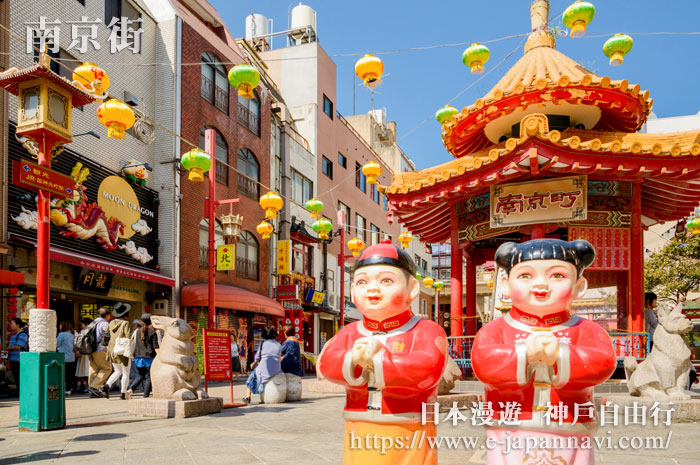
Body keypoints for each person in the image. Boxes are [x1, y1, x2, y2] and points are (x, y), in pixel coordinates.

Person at [471, 239, 617, 465]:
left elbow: (603, 362)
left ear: (579, 287)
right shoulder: (495, 329)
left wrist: (561, 355)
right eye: (525, 276)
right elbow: (484, 363)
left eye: (557, 276)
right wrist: (524, 354)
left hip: (572, 423)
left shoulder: (588, 329)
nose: (541, 286)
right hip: (508, 424)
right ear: (506, 285)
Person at [317, 239, 447, 465]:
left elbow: (428, 367)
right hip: (359, 422)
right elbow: (327, 362)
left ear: (412, 288)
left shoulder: (426, 329)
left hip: (410, 423)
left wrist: (380, 359)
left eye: (387, 280)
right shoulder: (349, 331)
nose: (373, 289)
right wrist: (353, 358)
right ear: (352, 290)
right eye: (362, 282)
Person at [243, 327, 282, 404]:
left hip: (265, 368)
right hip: (277, 368)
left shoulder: (262, 343)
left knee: (251, 377)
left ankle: (248, 396)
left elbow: (257, 357)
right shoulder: (278, 344)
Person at [101, 303, 132, 400]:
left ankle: (106, 386)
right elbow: (128, 337)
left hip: (112, 350)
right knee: (126, 372)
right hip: (122, 350)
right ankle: (123, 393)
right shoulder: (125, 323)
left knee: (118, 370)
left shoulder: (111, 323)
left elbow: (105, 335)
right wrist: (131, 351)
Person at [127, 314, 159, 399]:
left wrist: (133, 354)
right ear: (151, 322)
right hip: (149, 358)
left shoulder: (136, 331)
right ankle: (146, 396)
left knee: (141, 375)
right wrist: (160, 357)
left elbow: (133, 343)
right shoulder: (153, 333)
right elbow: (156, 347)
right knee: (149, 377)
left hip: (138, 357)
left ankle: (130, 389)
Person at [88, 308, 112, 397]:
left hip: (90, 350)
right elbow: (106, 337)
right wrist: (106, 348)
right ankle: (94, 387)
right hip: (100, 349)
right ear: (107, 315)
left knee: (94, 369)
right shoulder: (105, 323)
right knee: (107, 368)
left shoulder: (92, 323)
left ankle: (92, 391)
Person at [7, 318, 28, 394]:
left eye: (12, 324)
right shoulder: (13, 335)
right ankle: (19, 391)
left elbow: (18, 347)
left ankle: (22, 392)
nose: (11, 325)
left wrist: (8, 349)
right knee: (16, 376)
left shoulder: (22, 335)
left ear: (18, 325)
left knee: (20, 376)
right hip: (13, 359)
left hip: (20, 360)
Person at [56, 321, 76, 394]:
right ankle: (68, 389)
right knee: (69, 375)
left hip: (63, 357)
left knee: (63, 374)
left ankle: (63, 389)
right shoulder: (71, 334)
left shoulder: (61, 334)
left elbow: (56, 344)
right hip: (71, 357)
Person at [74, 318, 92, 393]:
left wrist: (77, 350)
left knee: (82, 370)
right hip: (89, 353)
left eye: (82, 324)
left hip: (82, 354)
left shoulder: (82, 332)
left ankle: (81, 386)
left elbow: (76, 343)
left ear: (86, 324)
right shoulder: (91, 332)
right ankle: (88, 386)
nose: (81, 325)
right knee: (88, 370)